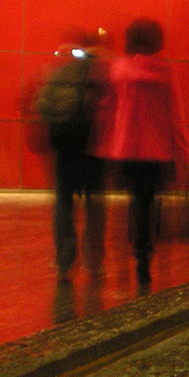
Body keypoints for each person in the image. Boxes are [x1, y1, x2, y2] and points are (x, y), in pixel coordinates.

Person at [92, 18, 189, 287]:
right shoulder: (164, 72)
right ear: (156, 41)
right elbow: (175, 116)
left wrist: (105, 146)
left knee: (131, 202)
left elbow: (109, 112)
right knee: (150, 204)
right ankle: (144, 257)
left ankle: (130, 253)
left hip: (124, 150)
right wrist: (186, 156)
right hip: (156, 152)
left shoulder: (118, 70)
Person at [37, 29, 108, 282]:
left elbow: (42, 105)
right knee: (94, 206)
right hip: (93, 148)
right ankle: (93, 262)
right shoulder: (101, 73)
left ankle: (65, 262)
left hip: (65, 147)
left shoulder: (58, 73)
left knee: (64, 205)